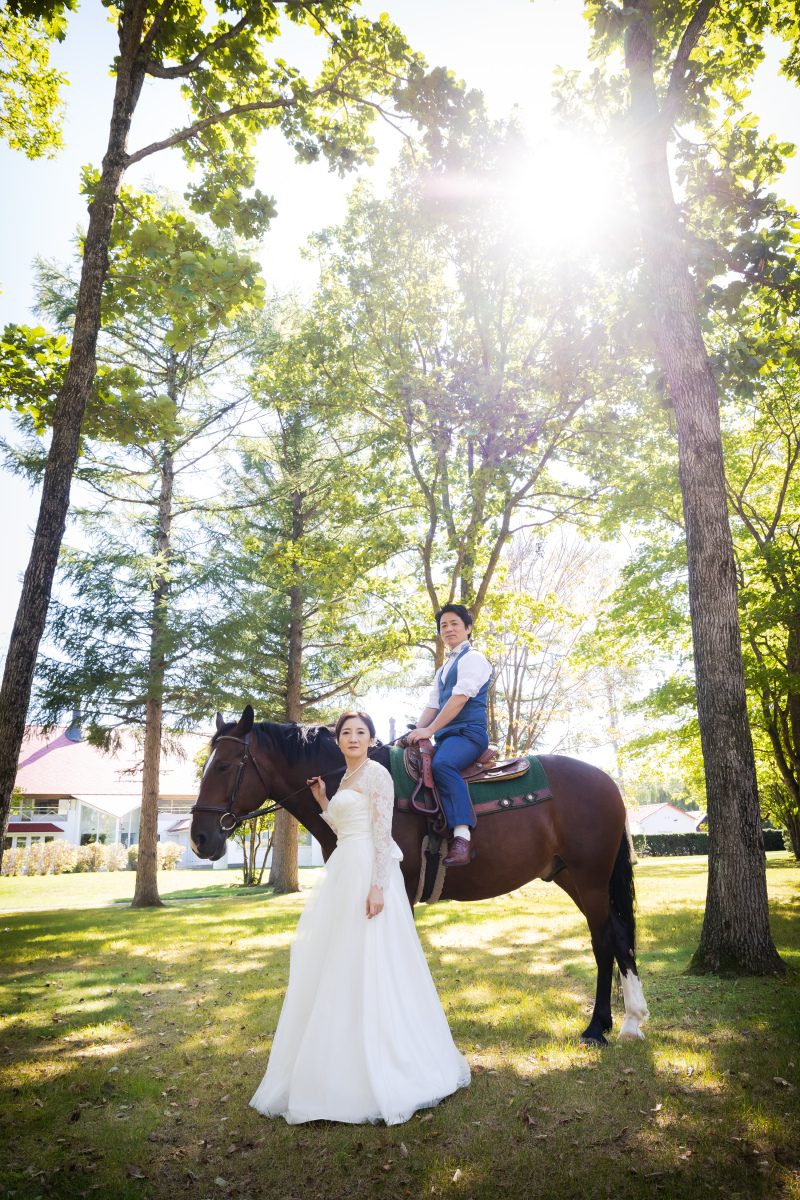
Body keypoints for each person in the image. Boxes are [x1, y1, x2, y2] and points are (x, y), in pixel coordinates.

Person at [249, 710, 469, 1125]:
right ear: (337, 740)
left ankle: (383, 1060)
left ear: (371, 739)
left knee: (373, 959)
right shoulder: (346, 779)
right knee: (340, 958)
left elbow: (381, 831)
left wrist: (378, 884)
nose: (353, 738)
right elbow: (343, 826)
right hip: (344, 867)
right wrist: (323, 803)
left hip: (367, 867)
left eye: (361, 732)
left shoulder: (376, 775)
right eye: (346, 733)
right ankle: (338, 1053)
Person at [406, 604, 492, 867]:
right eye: (443, 626)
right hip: (447, 738)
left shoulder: (474, 659)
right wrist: (413, 734)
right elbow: (433, 705)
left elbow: (459, 699)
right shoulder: (442, 670)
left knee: (442, 764)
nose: (448, 629)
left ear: (468, 628)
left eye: (454, 623)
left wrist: (430, 731)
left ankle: (463, 837)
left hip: (469, 734)